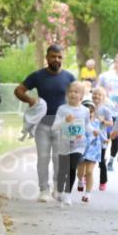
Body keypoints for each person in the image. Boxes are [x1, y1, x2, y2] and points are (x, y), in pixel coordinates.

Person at [15, 44, 76, 202]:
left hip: (61, 126)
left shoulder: (69, 78)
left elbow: (78, 99)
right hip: (42, 125)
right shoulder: (38, 76)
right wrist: (30, 100)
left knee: (58, 158)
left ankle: (57, 188)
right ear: (47, 57)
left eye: (59, 57)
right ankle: (43, 190)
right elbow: (19, 90)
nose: (56, 59)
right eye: (53, 56)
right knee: (43, 158)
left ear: (63, 58)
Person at [50, 81, 90, 207]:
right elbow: (54, 127)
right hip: (64, 145)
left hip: (79, 145)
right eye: (71, 91)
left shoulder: (85, 111)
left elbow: (87, 125)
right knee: (62, 170)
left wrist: (94, 131)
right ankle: (60, 191)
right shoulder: (62, 109)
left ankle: (68, 194)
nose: (73, 94)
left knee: (72, 167)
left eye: (76, 92)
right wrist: (64, 121)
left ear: (81, 96)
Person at [78, 99, 105, 203]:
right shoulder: (79, 122)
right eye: (86, 111)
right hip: (81, 148)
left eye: (91, 111)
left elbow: (102, 132)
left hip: (94, 149)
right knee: (80, 172)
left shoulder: (98, 122)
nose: (89, 114)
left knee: (89, 171)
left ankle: (88, 194)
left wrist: (105, 140)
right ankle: (80, 180)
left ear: (94, 112)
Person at [91, 86, 114, 191]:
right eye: (95, 94)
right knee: (88, 159)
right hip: (90, 138)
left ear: (103, 98)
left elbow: (111, 124)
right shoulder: (89, 108)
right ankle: (86, 177)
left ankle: (103, 182)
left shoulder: (106, 110)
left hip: (102, 139)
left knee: (101, 161)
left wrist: (103, 121)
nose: (96, 96)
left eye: (99, 94)